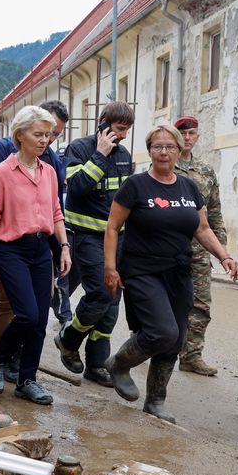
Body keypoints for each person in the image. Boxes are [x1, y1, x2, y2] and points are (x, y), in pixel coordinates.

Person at [102, 125, 238, 423]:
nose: (164, 152)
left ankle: (155, 401)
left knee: (175, 341)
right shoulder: (136, 186)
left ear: (179, 151)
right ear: (150, 151)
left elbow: (202, 228)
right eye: (157, 147)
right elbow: (112, 227)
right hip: (141, 269)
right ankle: (119, 363)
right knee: (162, 331)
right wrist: (110, 268)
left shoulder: (189, 187)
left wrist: (224, 256)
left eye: (170, 147)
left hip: (178, 270)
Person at [0, 101, 69, 381]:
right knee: (27, 314)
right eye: (38, 134)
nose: (45, 141)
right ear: (20, 135)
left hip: (40, 248)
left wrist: (64, 247)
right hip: (10, 249)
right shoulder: (2, 172)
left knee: (40, 321)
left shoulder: (48, 171)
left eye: (48, 135)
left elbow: (56, 212)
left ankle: (28, 380)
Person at [54, 101, 136, 387]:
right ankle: (69, 338)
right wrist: (100, 156)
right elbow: (76, 188)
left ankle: (96, 364)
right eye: (119, 129)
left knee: (112, 302)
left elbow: (127, 201)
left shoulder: (125, 155)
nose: (123, 135)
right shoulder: (79, 148)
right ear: (103, 122)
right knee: (101, 294)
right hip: (84, 236)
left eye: (127, 130)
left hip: (117, 240)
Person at [172, 116, 227, 376]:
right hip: (168, 248)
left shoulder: (205, 172)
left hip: (199, 249)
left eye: (192, 133)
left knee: (201, 304)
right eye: (183, 133)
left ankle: (191, 355)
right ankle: (154, 345)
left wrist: (221, 246)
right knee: (167, 302)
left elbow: (214, 210)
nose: (188, 138)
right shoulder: (163, 166)